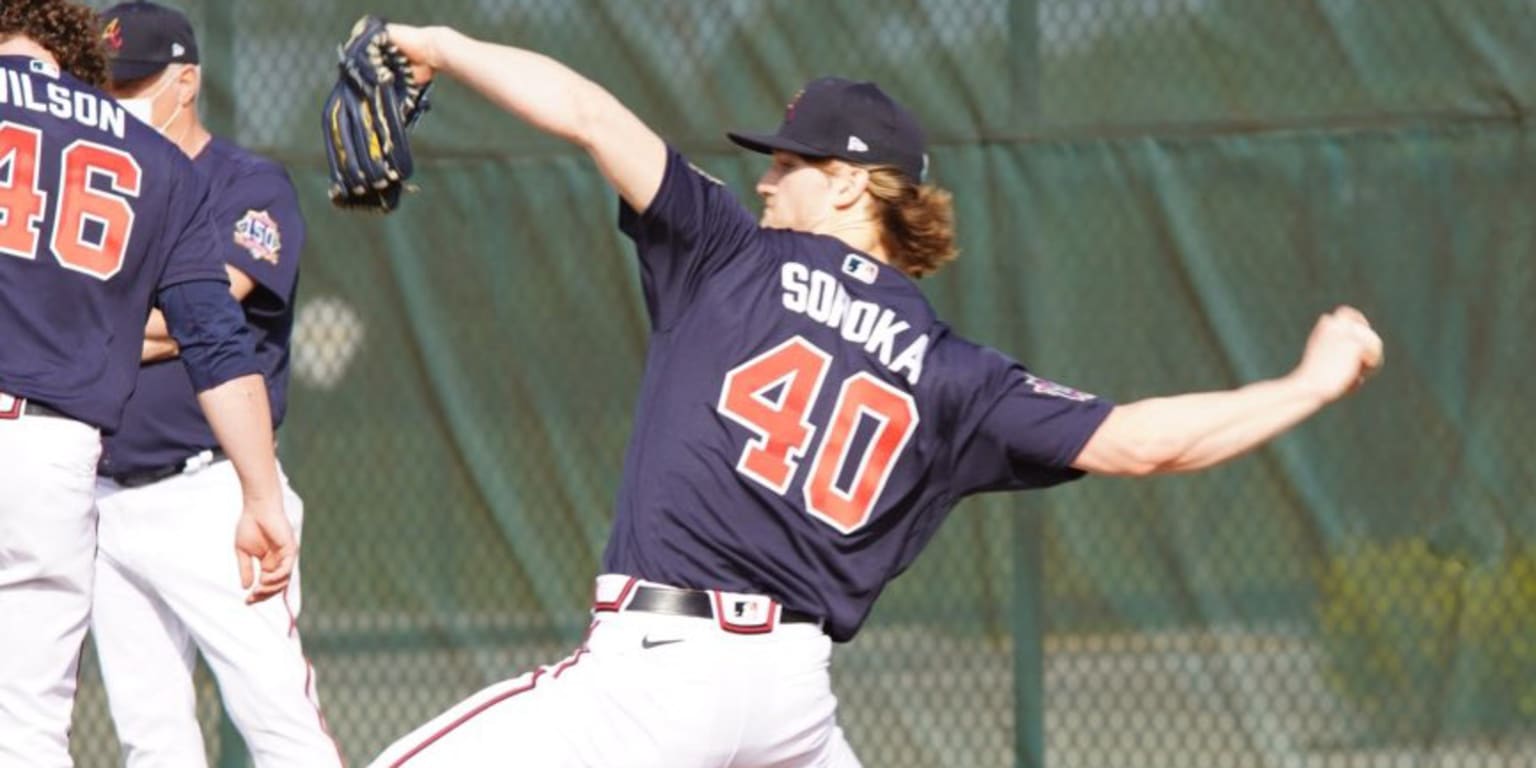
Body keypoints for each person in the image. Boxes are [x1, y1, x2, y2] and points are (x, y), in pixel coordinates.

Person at [364, 23, 1385, 768]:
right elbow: (1140, 442)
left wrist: (437, 43)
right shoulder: (953, 373)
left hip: (655, 675)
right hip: (790, 708)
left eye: (790, 165)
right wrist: (1307, 383)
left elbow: (588, 113)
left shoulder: (730, 256)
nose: (766, 181)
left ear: (851, 185)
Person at [0, 2, 296, 765]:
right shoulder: (150, 159)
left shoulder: (246, 180)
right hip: (60, 460)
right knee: (30, 726)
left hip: (186, 485)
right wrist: (264, 498)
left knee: (270, 716)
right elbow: (212, 338)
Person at [82, 3, 341, 766]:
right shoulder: (106, 187)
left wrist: (82, 336)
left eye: (133, 85)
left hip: (211, 495)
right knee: (150, 740)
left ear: (185, 81)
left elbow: (205, 310)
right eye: (104, 87)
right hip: (102, 495)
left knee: (280, 727)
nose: (114, 103)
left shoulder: (246, 183)